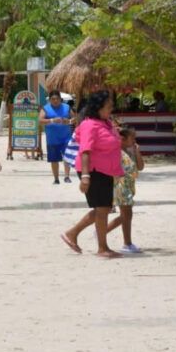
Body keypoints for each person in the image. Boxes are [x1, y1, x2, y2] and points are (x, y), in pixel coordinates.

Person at [60, 91, 124, 259]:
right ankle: (101, 247)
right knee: (102, 208)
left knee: (103, 208)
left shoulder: (106, 123)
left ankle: (73, 234)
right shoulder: (90, 125)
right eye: (108, 106)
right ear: (98, 107)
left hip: (105, 171)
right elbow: (85, 150)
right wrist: (86, 177)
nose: (111, 108)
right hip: (93, 170)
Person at [108, 126, 145, 254]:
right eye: (132, 138)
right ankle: (127, 243)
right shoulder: (117, 152)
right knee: (126, 214)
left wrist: (137, 152)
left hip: (129, 186)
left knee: (126, 214)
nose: (134, 140)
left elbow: (140, 167)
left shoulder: (128, 152)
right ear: (122, 139)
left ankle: (103, 230)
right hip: (121, 186)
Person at [40, 90, 73, 184]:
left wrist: (69, 121)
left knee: (67, 157)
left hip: (66, 137)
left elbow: (75, 119)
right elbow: (40, 120)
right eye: (53, 99)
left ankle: (67, 176)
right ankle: (56, 178)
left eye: (57, 99)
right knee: (54, 159)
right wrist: (52, 120)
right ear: (50, 100)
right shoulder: (45, 108)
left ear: (60, 99)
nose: (55, 101)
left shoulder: (67, 107)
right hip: (52, 139)